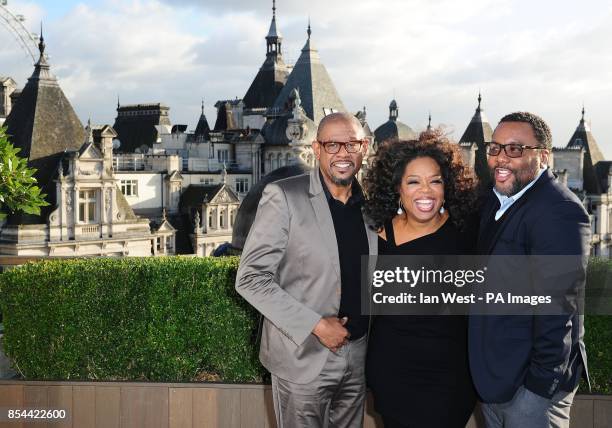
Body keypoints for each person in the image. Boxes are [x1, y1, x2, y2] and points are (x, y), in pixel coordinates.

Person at [235, 112, 378, 428]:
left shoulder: (372, 205)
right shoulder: (284, 195)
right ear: (316, 148)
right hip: (303, 355)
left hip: (357, 356)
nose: (343, 153)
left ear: (364, 147)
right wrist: (316, 325)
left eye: (351, 144)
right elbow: (250, 278)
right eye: (332, 144)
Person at [469, 112, 591, 428]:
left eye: (515, 149)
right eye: (494, 148)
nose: (500, 158)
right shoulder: (497, 201)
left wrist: (538, 388)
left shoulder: (559, 211)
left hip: (530, 391)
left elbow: (559, 310)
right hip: (498, 380)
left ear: (543, 156)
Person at [363, 132, 478, 428]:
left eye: (435, 180)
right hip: (392, 372)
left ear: (447, 185)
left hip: (451, 376)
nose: (425, 191)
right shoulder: (377, 235)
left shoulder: (466, 233)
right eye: (413, 181)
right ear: (397, 188)